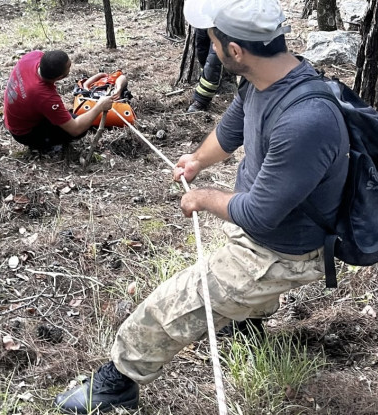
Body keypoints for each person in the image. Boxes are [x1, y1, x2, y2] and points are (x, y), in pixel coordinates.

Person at [54, 0, 350, 412]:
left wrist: (203, 198)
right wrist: (196, 160)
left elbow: (261, 213)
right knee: (234, 268)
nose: (210, 48)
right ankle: (246, 321)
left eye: (214, 41)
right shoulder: (265, 80)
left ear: (235, 51)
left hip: (283, 251)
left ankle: (116, 384)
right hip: (265, 231)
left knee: (167, 307)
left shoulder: (306, 120)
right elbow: (231, 128)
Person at [3, 50, 114, 153]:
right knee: (81, 129)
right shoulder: (44, 96)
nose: (71, 67)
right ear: (61, 77)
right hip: (24, 132)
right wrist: (100, 106)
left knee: (68, 115)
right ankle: (43, 145)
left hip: (16, 115)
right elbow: (76, 129)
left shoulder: (33, 56)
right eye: (69, 67)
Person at [187, 28, 225, 113]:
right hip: (206, 19)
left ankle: (201, 100)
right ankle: (207, 82)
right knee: (202, 51)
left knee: (213, 60)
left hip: (224, 22)